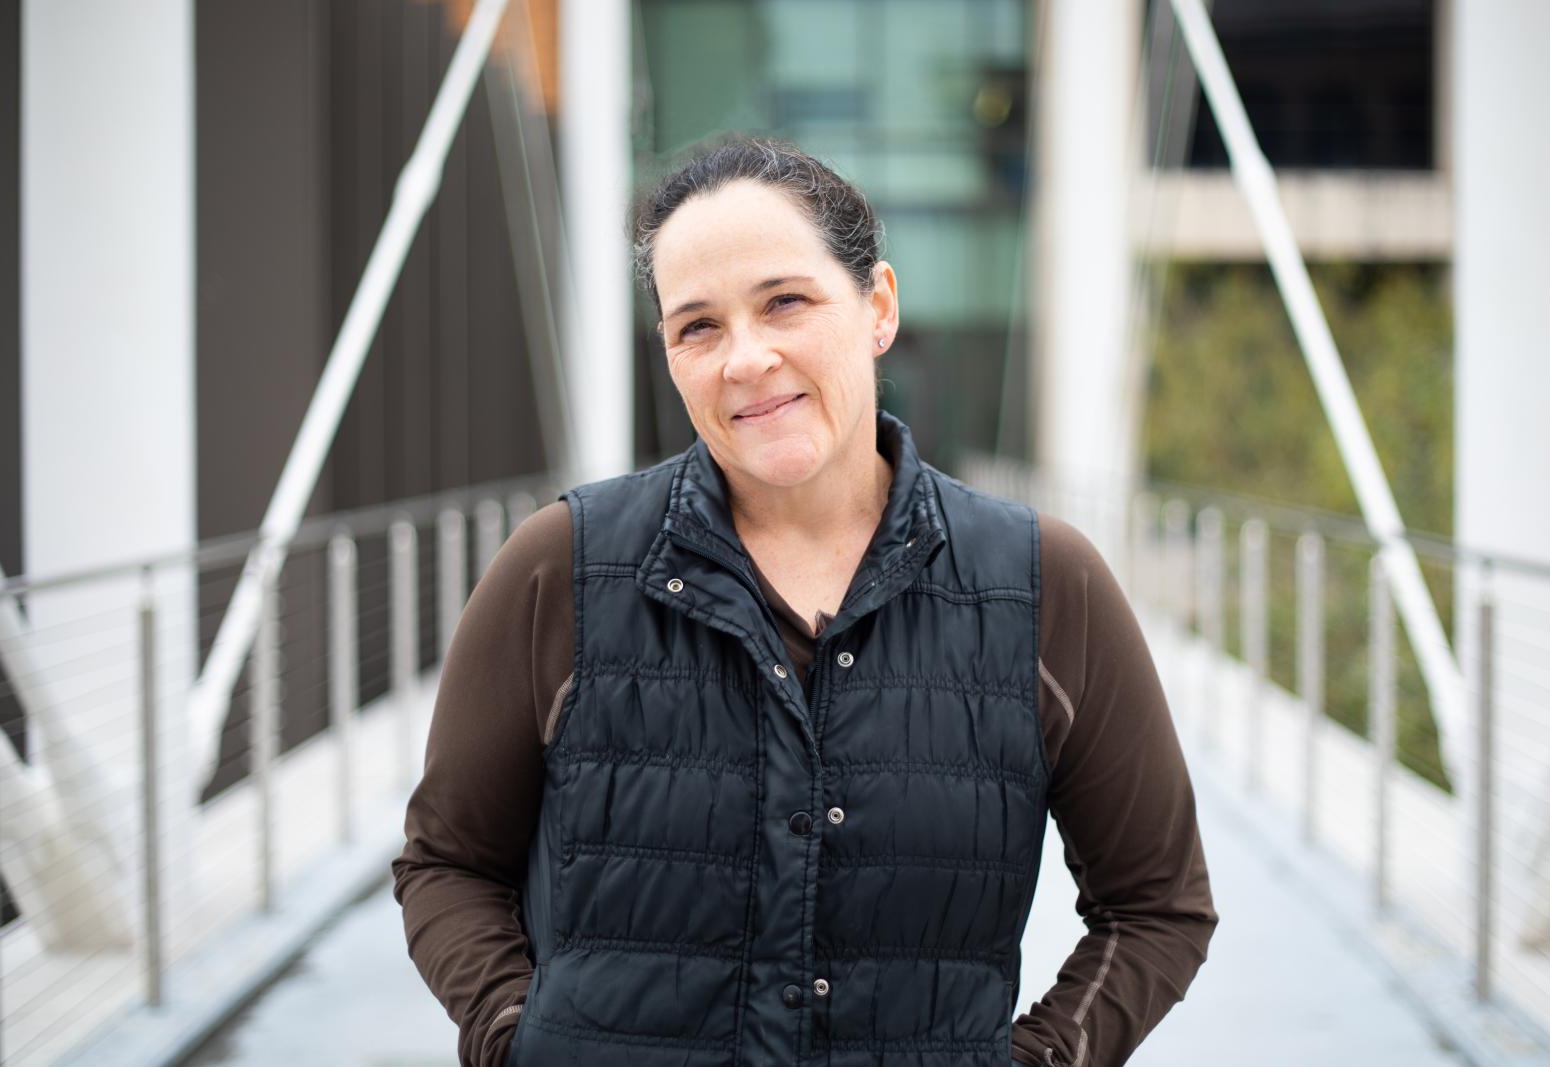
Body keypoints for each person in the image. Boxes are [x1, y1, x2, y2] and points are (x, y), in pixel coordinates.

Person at [392, 136, 1217, 1067]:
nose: (747, 358)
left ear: (878, 307)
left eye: (785, 301)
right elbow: (447, 864)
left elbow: (1158, 902)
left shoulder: (1041, 586)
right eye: (697, 326)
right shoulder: (560, 570)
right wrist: (515, 1037)